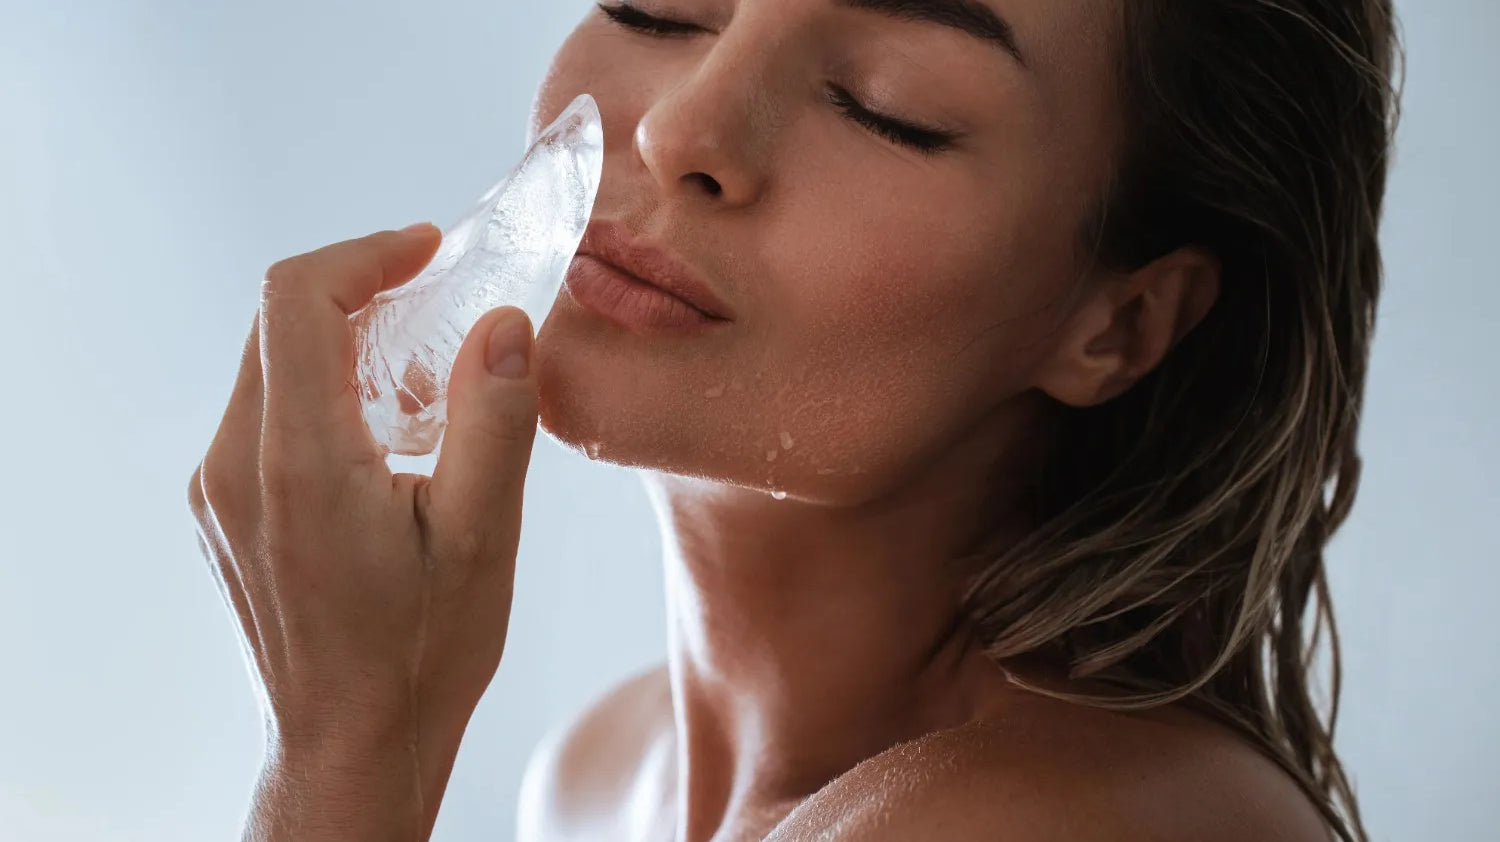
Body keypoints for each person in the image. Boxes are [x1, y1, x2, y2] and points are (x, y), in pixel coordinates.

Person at [187, 1, 1402, 840]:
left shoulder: (1055, 825)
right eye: (660, 8)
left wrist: (337, 756)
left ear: (1120, 321)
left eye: (887, 105)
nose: (680, 129)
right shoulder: (602, 775)